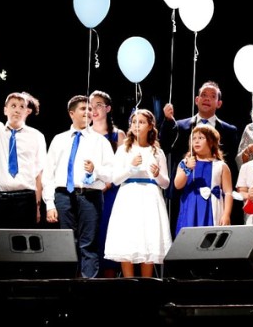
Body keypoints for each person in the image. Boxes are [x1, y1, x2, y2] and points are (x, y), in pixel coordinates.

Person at [42, 95, 114, 278]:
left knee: (88, 244)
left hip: (90, 195)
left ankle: (88, 289)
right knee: (67, 244)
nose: (88, 112)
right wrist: (50, 203)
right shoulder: (59, 140)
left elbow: (112, 174)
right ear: (71, 113)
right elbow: (49, 173)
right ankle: (68, 287)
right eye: (83, 109)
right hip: (63, 195)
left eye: (90, 109)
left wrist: (95, 170)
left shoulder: (100, 141)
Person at [0, 55, 47, 228]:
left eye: (22, 107)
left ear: (27, 112)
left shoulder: (37, 136)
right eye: (13, 105)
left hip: (25, 197)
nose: (17, 110)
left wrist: (37, 206)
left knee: (23, 251)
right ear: (5, 109)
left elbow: (39, 172)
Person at [160, 81, 239, 233]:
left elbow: (229, 164)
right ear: (196, 100)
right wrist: (168, 121)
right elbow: (165, 144)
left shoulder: (229, 130)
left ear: (219, 103)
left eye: (212, 96)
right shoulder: (180, 126)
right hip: (186, 193)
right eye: (203, 95)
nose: (207, 99)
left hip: (214, 197)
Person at [104, 109, 172, 278]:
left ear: (150, 126)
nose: (136, 125)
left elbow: (166, 183)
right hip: (128, 196)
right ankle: (128, 282)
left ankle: (146, 283)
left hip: (150, 197)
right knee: (128, 236)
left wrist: (157, 175)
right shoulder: (123, 151)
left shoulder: (157, 152)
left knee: (148, 237)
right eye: (134, 122)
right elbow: (116, 179)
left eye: (141, 122)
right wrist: (131, 168)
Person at [89, 90, 126, 278]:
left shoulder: (117, 135)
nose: (93, 109)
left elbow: (122, 165)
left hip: (110, 194)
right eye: (90, 106)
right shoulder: (83, 134)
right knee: (88, 234)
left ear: (108, 108)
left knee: (106, 233)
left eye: (98, 105)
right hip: (87, 191)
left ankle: (110, 280)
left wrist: (108, 183)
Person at [173, 124, 233, 236]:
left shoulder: (221, 166)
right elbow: (177, 185)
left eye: (201, 138)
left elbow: (228, 192)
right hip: (190, 207)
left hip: (212, 208)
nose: (196, 141)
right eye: (194, 138)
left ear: (211, 142)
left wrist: (226, 214)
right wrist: (188, 169)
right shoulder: (185, 163)